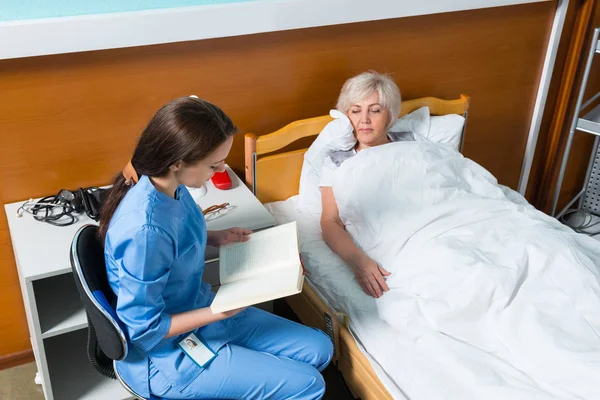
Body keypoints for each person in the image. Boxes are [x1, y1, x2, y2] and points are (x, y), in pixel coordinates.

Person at [100, 97, 333, 399]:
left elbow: (175, 234)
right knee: (309, 384)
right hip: (167, 356)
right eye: (214, 164)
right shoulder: (144, 231)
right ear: (178, 161)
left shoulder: (171, 186)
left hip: (197, 310)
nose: (221, 169)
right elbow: (143, 330)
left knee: (320, 349)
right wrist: (217, 312)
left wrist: (215, 237)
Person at [320, 71, 404, 299]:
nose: (364, 119)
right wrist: (360, 261)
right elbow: (330, 221)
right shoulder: (337, 162)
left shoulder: (412, 145)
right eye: (355, 111)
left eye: (375, 110)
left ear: (390, 115)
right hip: (393, 234)